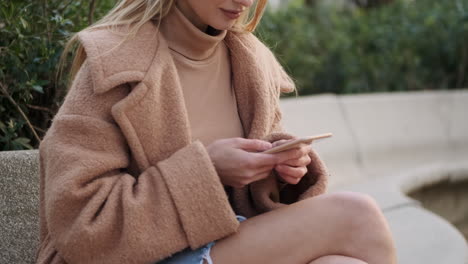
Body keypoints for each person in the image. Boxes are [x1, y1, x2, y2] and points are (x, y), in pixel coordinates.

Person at [37, 0, 397, 263]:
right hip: (136, 258)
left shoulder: (249, 63)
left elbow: (250, 205)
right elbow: (82, 224)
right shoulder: (114, 61)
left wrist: (279, 170)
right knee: (357, 216)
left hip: (225, 245)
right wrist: (206, 170)